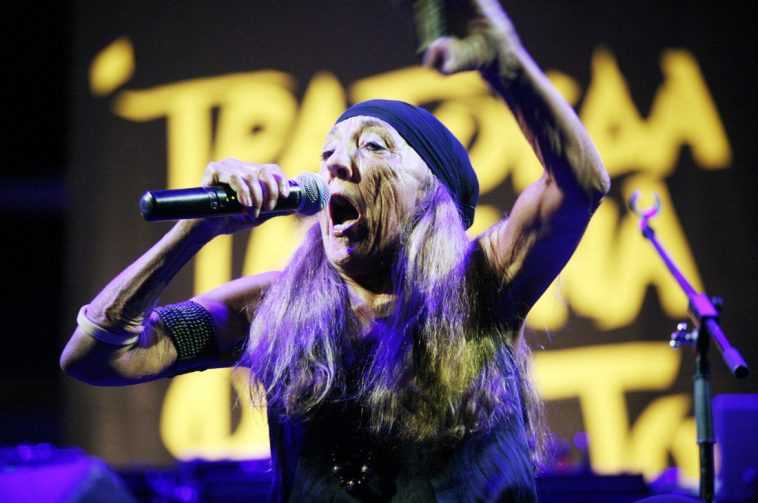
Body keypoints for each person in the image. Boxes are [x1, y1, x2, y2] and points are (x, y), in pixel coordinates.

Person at [61, 1, 610, 501]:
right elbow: (99, 356)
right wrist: (195, 231)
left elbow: (579, 186)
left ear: (434, 194)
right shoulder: (271, 306)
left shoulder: (482, 284)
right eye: (328, 153)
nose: (336, 164)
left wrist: (506, 64)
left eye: (373, 146)